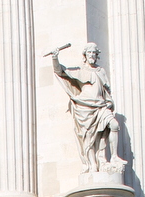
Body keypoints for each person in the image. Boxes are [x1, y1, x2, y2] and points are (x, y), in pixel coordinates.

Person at [52, 42, 123, 173]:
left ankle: (113, 157)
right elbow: (60, 71)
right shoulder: (81, 70)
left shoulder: (101, 71)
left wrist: (109, 102)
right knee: (88, 138)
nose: (92, 55)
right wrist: (55, 58)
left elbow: (105, 91)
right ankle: (92, 165)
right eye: (89, 52)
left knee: (114, 125)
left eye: (94, 53)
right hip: (84, 107)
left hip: (101, 106)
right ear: (85, 55)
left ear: (97, 55)